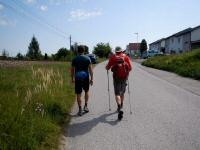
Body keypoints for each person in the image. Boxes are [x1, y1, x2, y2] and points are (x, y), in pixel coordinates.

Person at [105, 46, 132, 113]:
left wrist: (107, 65)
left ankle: (119, 106)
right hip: (124, 78)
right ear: (121, 51)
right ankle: (121, 105)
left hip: (116, 78)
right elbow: (130, 68)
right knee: (122, 93)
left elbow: (107, 68)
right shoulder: (126, 57)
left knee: (117, 93)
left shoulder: (113, 57)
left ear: (115, 51)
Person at [71, 45, 93, 116]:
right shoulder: (88, 58)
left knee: (78, 94)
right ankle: (85, 106)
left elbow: (72, 70)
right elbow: (90, 70)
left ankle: (80, 109)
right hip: (86, 77)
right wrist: (92, 78)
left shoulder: (75, 59)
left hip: (78, 77)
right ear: (84, 51)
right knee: (86, 91)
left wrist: (72, 78)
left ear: (78, 51)